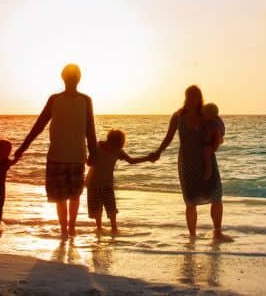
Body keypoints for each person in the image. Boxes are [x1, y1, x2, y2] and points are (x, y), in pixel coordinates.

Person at [14, 64, 97, 239]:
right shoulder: (55, 99)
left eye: (74, 77)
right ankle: (66, 230)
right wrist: (23, 147)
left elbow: (90, 130)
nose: (72, 79)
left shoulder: (85, 100)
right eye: (71, 76)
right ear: (65, 78)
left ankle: (70, 229)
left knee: (73, 196)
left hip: (75, 156)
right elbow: (39, 125)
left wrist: (93, 153)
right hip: (59, 156)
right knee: (63, 197)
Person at [150, 85, 232, 241]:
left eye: (196, 96)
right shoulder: (178, 116)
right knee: (190, 200)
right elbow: (168, 137)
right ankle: (192, 236)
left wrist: (215, 144)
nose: (193, 99)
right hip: (187, 161)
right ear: (186, 97)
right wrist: (158, 151)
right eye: (191, 96)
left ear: (200, 97)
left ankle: (217, 231)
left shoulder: (206, 115)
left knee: (216, 195)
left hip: (205, 159)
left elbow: (220, 130)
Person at [86, 129, 155, 233]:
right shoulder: (98, 147)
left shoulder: (118, 151)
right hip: (93, 183)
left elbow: (131, 161)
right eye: (116, 145)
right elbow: (89, 162)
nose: (115, 149)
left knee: (111, 208)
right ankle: (99, 229)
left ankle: (114, 228)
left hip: (107, 184)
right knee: (96, 209)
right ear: (110, 141)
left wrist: (147, 158)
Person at [200, 103, 225, 180]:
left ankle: (208, 171)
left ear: (211, 115)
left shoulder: (214, 123)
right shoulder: (213, 120)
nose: (203, 116)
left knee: (207, 154)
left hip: (212, 142)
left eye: (205, 115)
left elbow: (218, 137)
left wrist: (213, 148)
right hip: (214, 138)